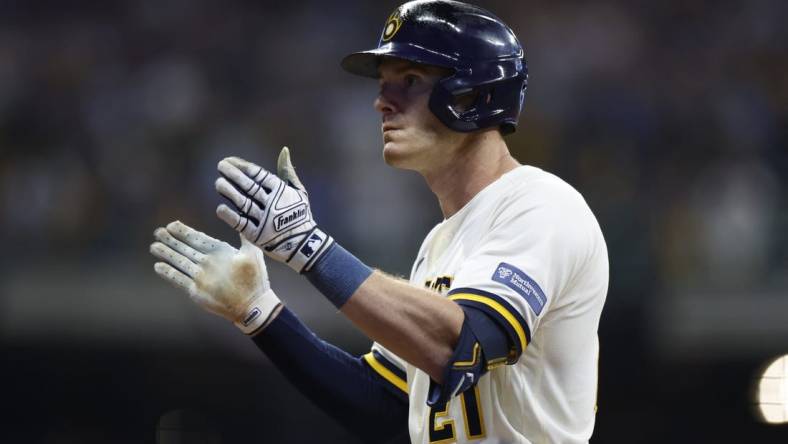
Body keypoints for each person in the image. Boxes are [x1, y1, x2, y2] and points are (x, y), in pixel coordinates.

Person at [149, 1, 609, 443]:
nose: (381, 102)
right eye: (384, 83)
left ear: (476, 94)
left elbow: (460, 345)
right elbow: (379, 404)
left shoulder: (543, 205)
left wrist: (307, 246)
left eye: (410, 80)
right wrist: (259, 312)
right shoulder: (440, 244)